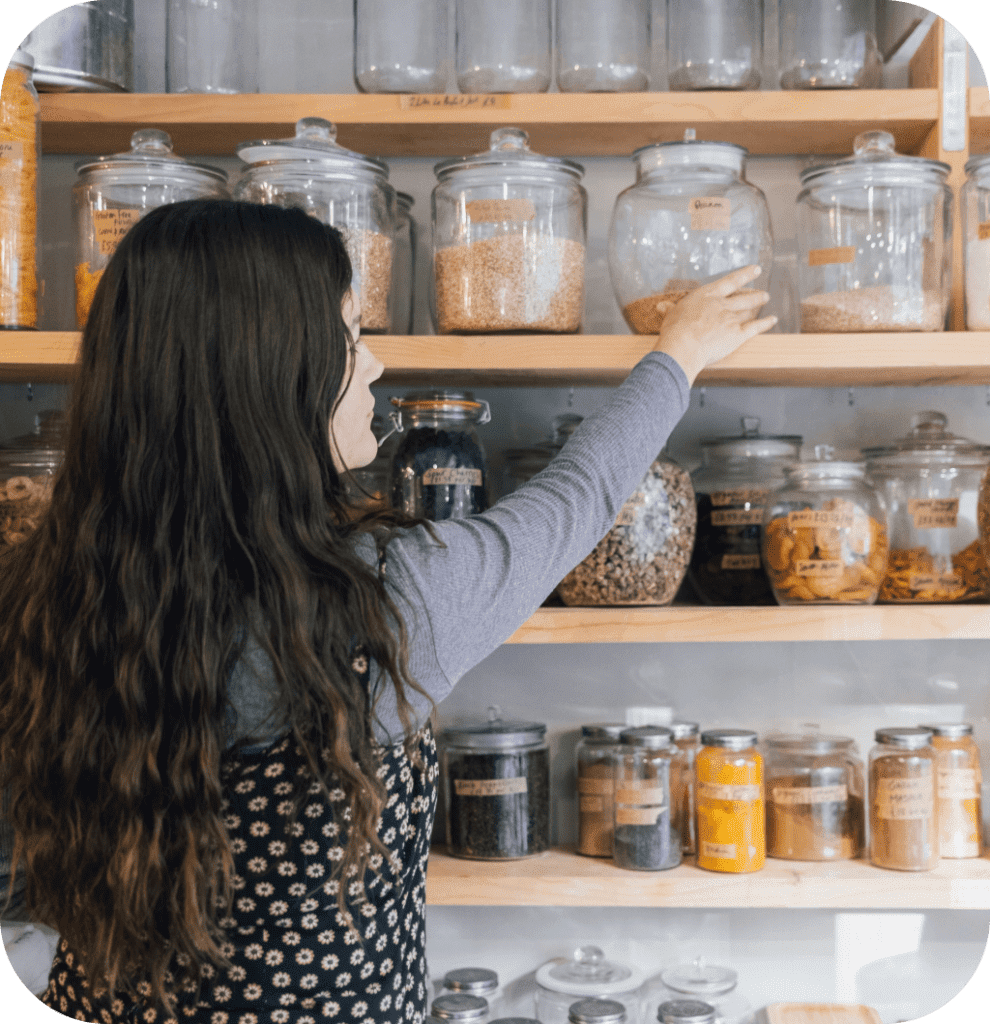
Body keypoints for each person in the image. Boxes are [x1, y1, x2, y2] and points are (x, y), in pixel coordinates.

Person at [0, 199, 775, 1024]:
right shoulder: (381, 601)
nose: (374, 366)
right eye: (351, 337)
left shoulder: (41, 592)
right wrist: (678, 355)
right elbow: (573, 502)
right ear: (272, 374)